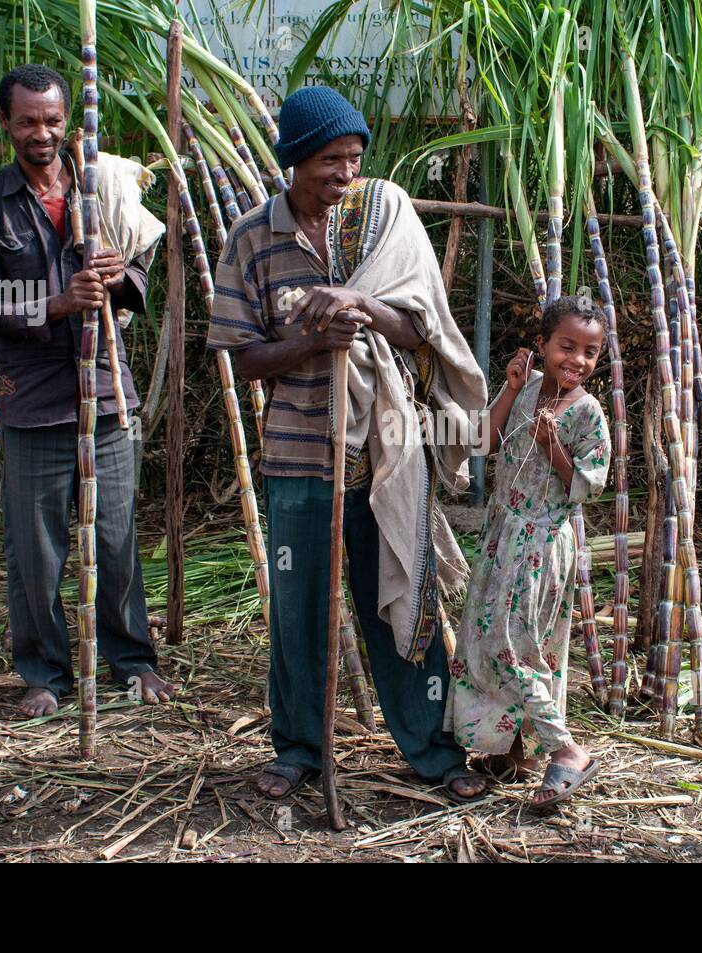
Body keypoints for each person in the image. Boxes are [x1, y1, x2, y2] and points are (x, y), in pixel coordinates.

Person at [207, 86, 490, 803]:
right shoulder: (251, 239)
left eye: (354, 159)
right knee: (298, 607)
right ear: (295, 160)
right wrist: (307, 340)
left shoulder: (380, 218)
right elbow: (240, 356)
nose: (344, 174)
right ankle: (297, 748)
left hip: (385, 453)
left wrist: (362, 305)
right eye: (331, 160)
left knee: (400, 599)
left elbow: (422, 328)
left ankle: (432, 749)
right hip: (300, 456)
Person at [0, 64, 175, 718]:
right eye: (27, 121)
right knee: (35, 547)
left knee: (115, 538)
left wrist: (117, 274)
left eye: (52, 120)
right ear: (6, 124)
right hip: (33, 401)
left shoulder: (103, 185)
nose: (42, 133)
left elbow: (140, 266)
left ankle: (133, 660)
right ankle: (45, 673)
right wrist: (57, 303)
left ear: (69, 122)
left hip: (108, 396)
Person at [444, 295, 610, 810]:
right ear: (541, 345)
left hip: (543, 542)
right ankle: (511, 752)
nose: (577, 360)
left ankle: (564, 749)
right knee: (485, 634)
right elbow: (484, 442)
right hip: (501, 538)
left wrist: (553, 447)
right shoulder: (527, 390)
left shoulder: (587, 412)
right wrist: (512, 389)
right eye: (566, 346)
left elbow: (589, 486)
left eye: (590, 352)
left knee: (517, 643)